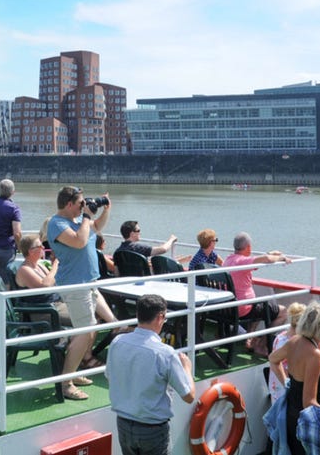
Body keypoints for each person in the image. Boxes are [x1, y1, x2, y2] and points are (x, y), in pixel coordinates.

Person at [106, 294, 195, 455]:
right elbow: (189, 396)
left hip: (124, 424)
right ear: (160, 317)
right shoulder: (165, 353)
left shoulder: (117, 342)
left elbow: (110, 375)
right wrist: (187, 368)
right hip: (152, 429)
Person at [47, 186, 111, 401]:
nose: (84, 206)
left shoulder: (78, 222)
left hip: (88, 283)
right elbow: (79, 241)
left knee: (90, 332)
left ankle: (75, 372)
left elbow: (97, 227)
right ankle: (66, 383)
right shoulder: (57, 224)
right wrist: (85, 216)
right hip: (75, 285)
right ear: (69, 204)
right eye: (81, 203)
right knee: (85, 332)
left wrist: (105, 208)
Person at [268, 301, 320, 455]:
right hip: (304, 418)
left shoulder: (294, 341)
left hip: (291, 409)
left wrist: (286, 381)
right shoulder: (314, 354)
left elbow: (272, 359)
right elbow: (309, 402)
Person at [222, 231, 289, 356]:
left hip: (229, 307)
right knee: (283, 311)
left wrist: (270, 254)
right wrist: (281, 258)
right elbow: (267, 260)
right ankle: (261, 345)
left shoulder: (229, 260)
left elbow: (260, 260)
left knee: (258, 305)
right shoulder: (242, 262)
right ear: (248, 247)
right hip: (243, 309)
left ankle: (250, 339)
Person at [15, 234, 70, 326]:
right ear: (31, 251)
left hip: (56, 305)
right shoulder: (24, 270)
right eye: (40, 246)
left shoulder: (39, 265)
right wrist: (56, 265)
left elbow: (53, 280)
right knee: (85, 319)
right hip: (43, 312)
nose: (43, 247)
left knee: (90, 314)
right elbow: (45, 285)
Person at [269, 302, 306, 403]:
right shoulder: (286, 342)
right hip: (283, 392)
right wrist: (288, 386)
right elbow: (276, 364)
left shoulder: (280, 337)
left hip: (278, 389)